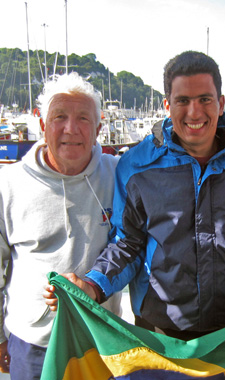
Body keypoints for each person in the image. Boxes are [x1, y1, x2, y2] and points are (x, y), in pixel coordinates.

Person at [44, 51, 225, 340]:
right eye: (183, 101)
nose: (194, 112)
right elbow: (128, 244)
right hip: (157, 335)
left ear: (221, 103)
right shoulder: (136, 166)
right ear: (167, 105)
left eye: (205, 99)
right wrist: (92, 285)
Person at [0, 72, 122, 379]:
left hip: (101, 342)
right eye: (59, 117)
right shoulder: (8, 185)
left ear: (99, 127)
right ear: (42, 124)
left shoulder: (119, 176)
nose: (71, 128)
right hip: (31, 345)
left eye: (83, 118)